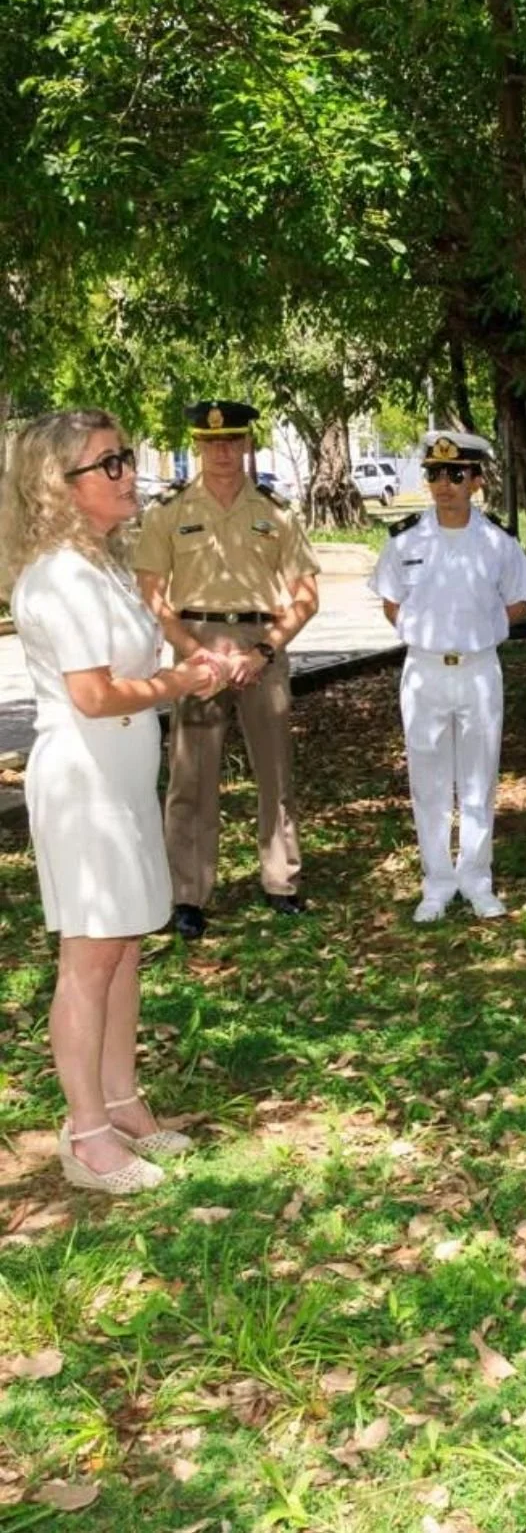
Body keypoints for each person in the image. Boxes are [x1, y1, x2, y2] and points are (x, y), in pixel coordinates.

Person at [0, 410, 223, 1194]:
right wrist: (179, 683)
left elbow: (142, 656)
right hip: (83, 784)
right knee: (89, 959)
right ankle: (86, 1133)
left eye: (124, 457)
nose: (128, 473)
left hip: (122, 776)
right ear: (55, 487)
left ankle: (123, 1101)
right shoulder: (58, 576)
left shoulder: (100, 563)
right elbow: (94, 695)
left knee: (124, 946)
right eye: (106, 464)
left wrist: (199, 662)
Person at [135, 401, 320, 940]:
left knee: (276, 772)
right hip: (196, 647)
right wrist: (193, 650)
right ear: (196, 444)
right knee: (191, 777)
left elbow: (306, 596)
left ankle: (281, 881)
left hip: (261, 646)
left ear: (245, 444)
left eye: (232, 440)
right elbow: (151, 592)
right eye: (211, 442)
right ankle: (188, 894)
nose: (222, 451)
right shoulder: (167, 510)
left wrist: (263, 651)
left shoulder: (277, 511)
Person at [368, 431, 526, 921]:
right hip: (424, 671)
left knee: (479, 779)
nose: (444, 485)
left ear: (477, 481)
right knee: (428, 781)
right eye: (435, 474)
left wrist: (477, 635)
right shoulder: (405, 540)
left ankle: (477, 879)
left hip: (479, 669)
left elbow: (517, 602)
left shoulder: (497, 543)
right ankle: (437, 884)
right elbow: (391, 603)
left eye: (456, 474)